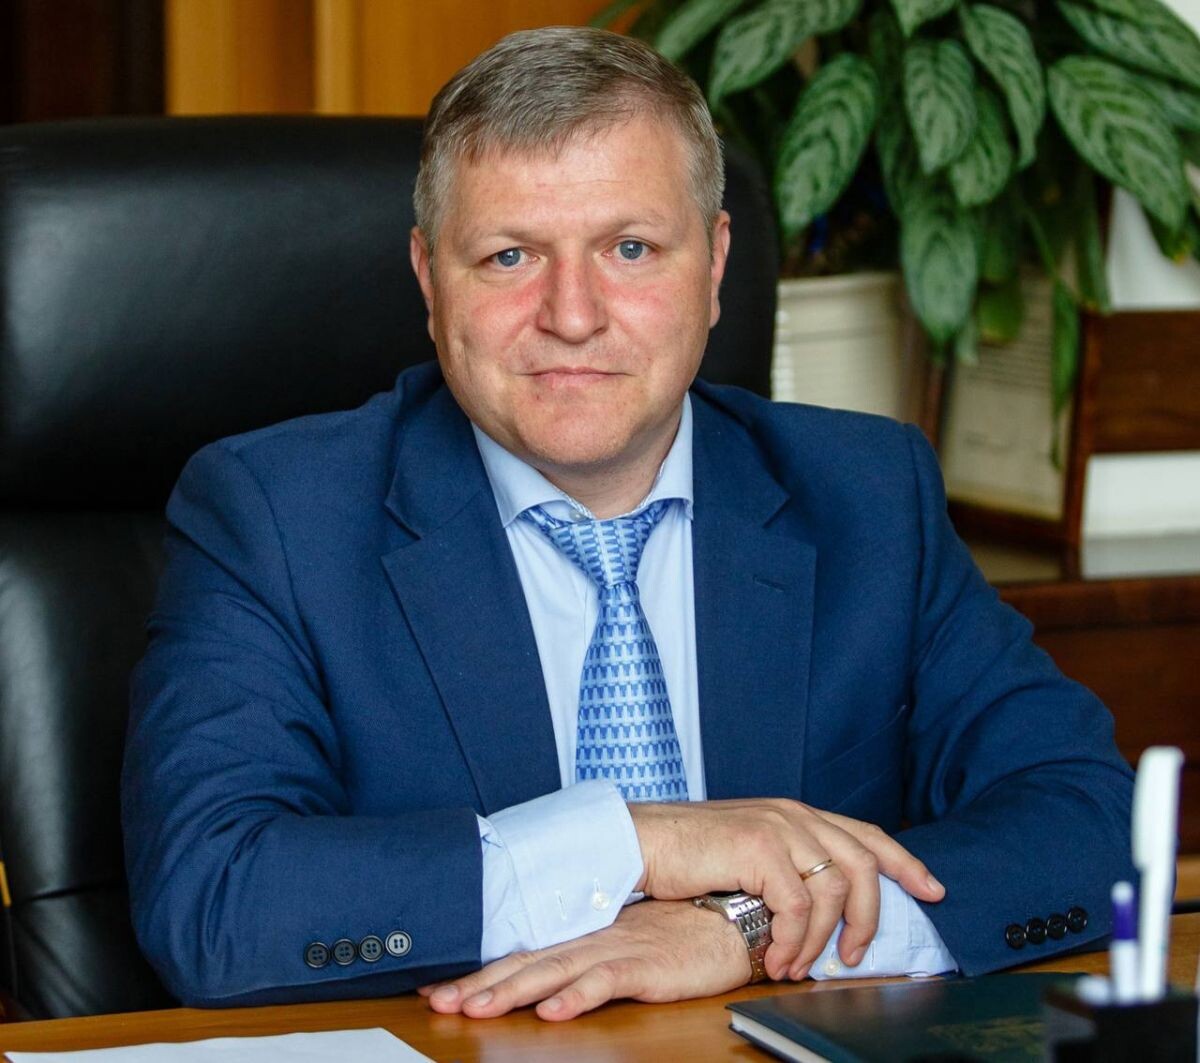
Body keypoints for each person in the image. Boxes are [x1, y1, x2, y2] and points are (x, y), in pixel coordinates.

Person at [122, 26, 1135, 1021]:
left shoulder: (867, 495)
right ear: (431, 279)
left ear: (715, 263)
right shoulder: (275, 516)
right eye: (509, 255)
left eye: (632, 248)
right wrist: (635, 844)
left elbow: (1096, 818)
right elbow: (212, 902)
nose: (573, 315)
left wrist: (744, 926)